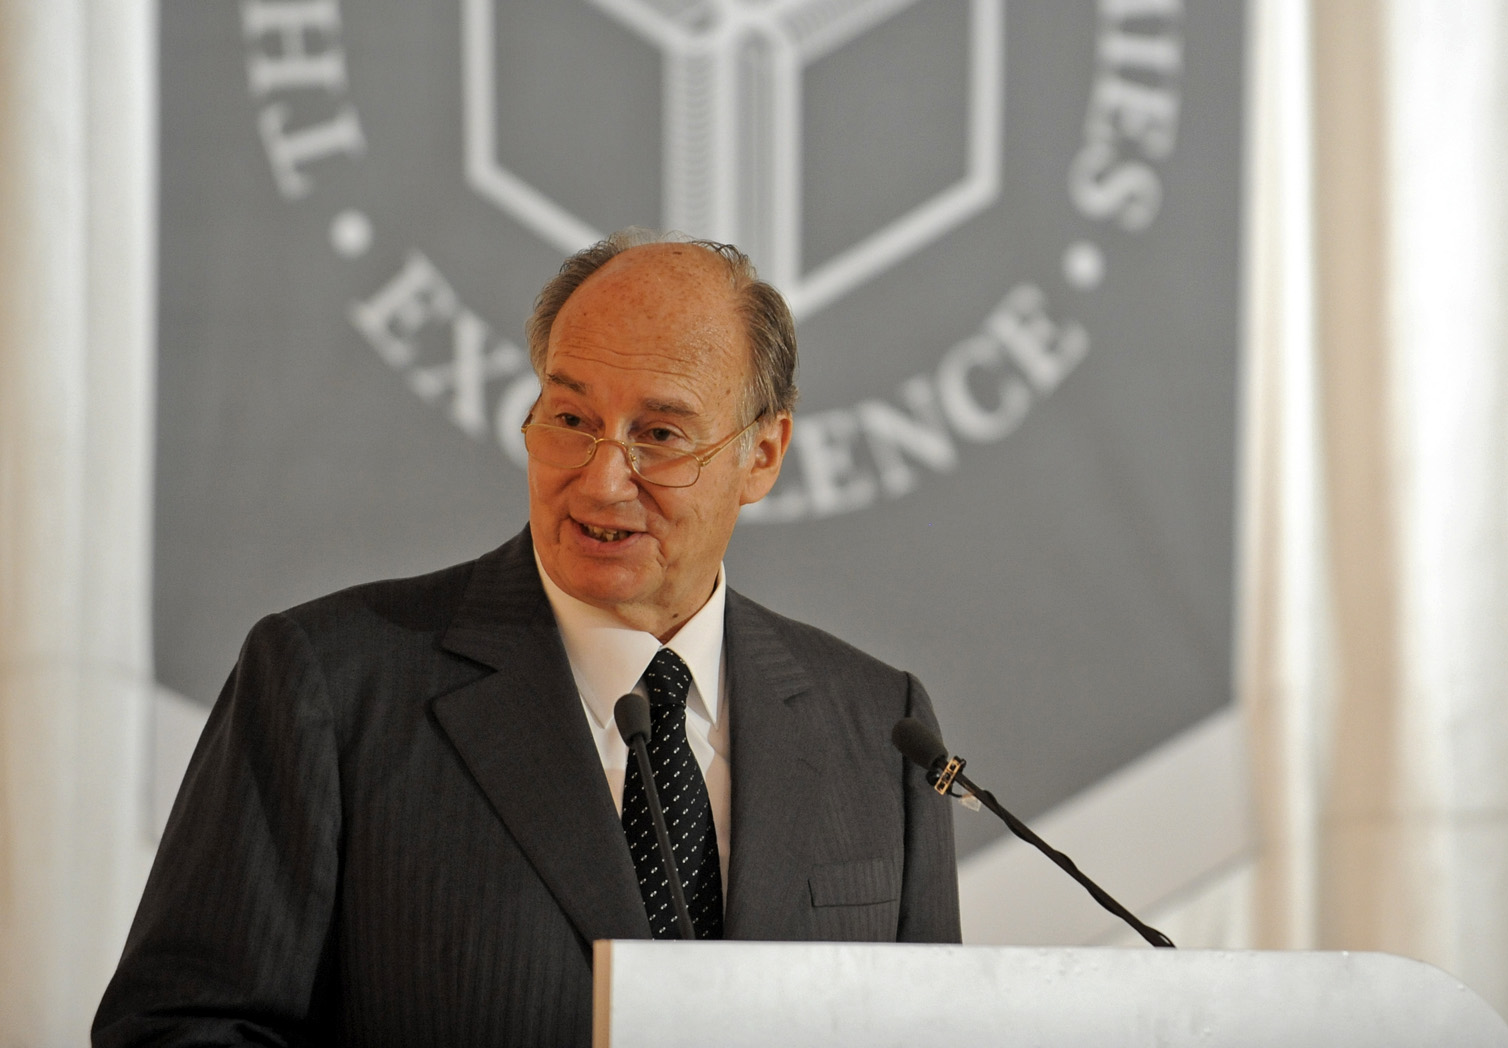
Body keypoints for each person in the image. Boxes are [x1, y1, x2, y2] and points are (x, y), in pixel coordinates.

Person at [95, 232, 959, 1047]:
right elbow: (181, 1027)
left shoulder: (881, 730)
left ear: (763, 455)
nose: (601, 477)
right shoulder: (330, 684)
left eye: (658, 436)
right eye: (571, 419)